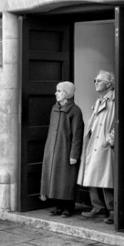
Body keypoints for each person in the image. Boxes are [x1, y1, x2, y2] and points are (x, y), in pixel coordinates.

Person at [78, 70, 118, 224]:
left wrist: (110, 139)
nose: (95, 83)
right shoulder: (99, 100)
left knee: (106, 178)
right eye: (95, 80)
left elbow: (118, 122)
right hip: (93, 142)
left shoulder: (114, 100)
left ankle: (112, 210)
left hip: (103, 143)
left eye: (99, 80)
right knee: (91, 174)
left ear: (109, 84)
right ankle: (98, 207)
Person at [40, 82, 84, 218]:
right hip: (53, 149)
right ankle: (58, 206)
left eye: (59, 91)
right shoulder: (54, 108)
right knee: (54, 178)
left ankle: (68, 207)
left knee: (66, 179)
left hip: (66, 150)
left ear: (67, 94)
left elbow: (77, 135)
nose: (56, 93)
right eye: (57, 91)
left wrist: (74, 154)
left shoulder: (75, 111)